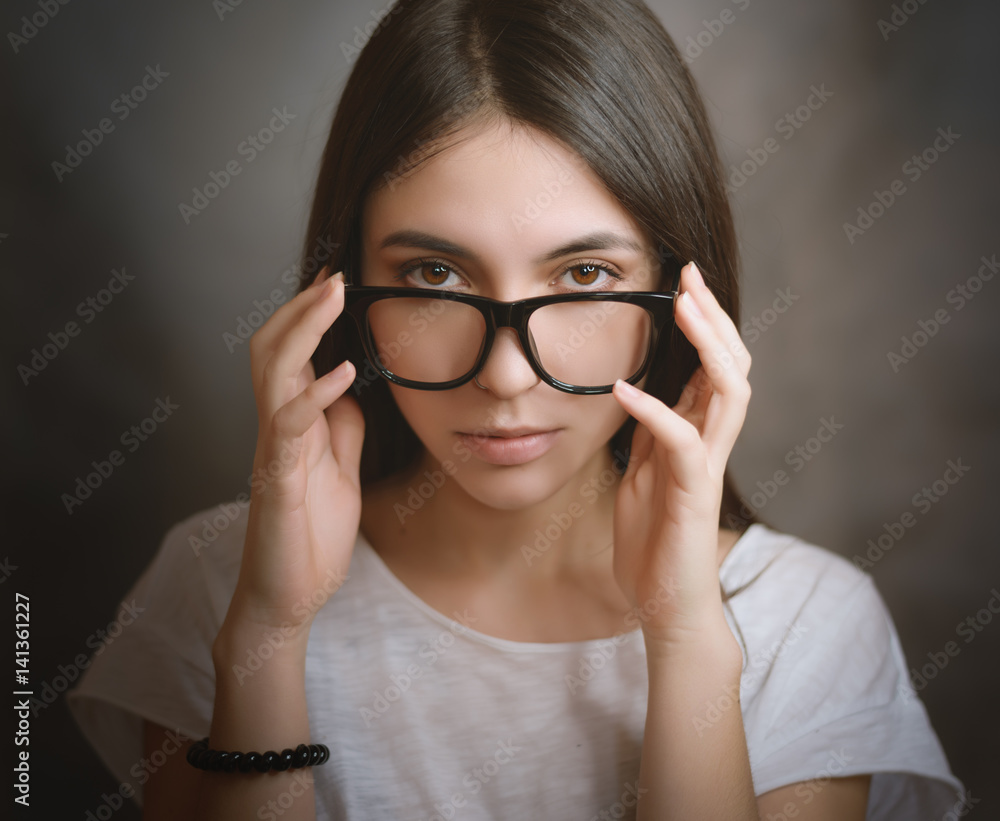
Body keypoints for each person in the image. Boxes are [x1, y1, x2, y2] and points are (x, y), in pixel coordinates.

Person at [68, 1, 965, 818]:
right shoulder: (215, 586)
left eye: (583, 277)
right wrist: (268, 632)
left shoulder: (801, 622)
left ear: (678, 297)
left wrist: (686, 634)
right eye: (435, 275)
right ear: (342, 289)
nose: (502, 375)